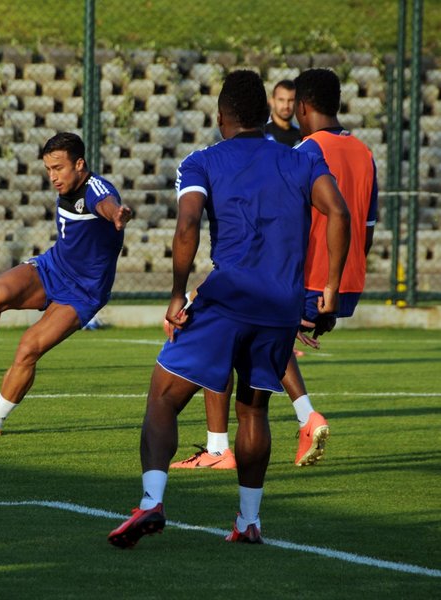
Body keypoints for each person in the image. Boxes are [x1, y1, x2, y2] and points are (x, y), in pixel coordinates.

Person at [107, 70, 350, 549]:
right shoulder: (303, 157)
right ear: (264, 113)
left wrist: (178, 294)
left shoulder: (201, 161)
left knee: (163, 396)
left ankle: (152, 501)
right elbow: (339, 212)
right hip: (281, 304)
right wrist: (331, 290)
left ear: (222, 117)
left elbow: (188, 225)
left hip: (228, 297)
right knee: (253, 409)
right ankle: (249, 522)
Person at [170, 68, 377, 470]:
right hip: (343, 279)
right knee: (254, 338)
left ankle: (240, 440)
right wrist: (338, 284)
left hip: (293, 275)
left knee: (222, 327)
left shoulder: (304, 152)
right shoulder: (364, 152)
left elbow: (282, 220)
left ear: (302, 107)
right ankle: (275, 433)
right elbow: (362, 225)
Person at [0, 132, 132, 435]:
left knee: (28, 348)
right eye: (48, 169)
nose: (53, 177)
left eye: (58, 168)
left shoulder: (96, 189)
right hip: (53, 267)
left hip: (83, 292)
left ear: (79, 164)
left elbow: (106, 203)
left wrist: (117, 214)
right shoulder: (66, 186)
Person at [264, 79, 301, 147]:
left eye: (291, 100)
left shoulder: (301, 134)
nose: (286, 106)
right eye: (281, 100)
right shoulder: (262, 133)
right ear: (272, 101)